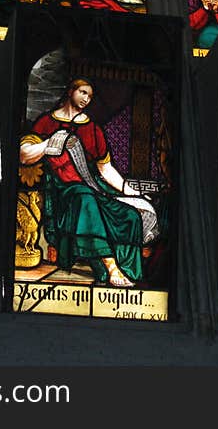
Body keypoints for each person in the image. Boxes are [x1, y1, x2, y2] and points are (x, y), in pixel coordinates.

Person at [20, 79, 158, 288]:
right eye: (83, 92)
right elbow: (24, 155)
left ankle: (131, 272)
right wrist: (51, 142)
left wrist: (133, 194)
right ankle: (110, 267)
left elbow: (106, 169)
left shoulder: (92, 129)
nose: (86, 99)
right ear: (70, 91)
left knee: (129, 214)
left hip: (93, 187)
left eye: (90, 96)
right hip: (62, 191)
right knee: (85, 198)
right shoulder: (46, 123)